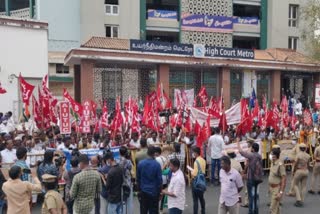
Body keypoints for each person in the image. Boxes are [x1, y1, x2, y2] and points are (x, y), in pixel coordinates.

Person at [237, 139, 262, 214]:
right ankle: (256, 211)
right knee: (256, 196)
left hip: (251, 178)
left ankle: (251, 212)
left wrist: (237, 142)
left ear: (253, 149)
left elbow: (241, 152)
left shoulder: (251, 155)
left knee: (251, 197)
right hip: (258, 178)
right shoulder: (259, 156)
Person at [137, 146, 162, 214]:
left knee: (143, 211)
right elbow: (159, 180)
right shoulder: (157, 165)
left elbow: (138, 178)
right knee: (153, 211)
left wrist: (138, 191)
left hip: (143, 191)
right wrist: (160, 192)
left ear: (147, 153)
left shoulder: (140, 163)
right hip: (154, 192)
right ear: (154, 154)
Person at [268, 147, 286, 214]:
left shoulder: (280, 165)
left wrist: (280, 193)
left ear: (276, 156)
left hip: (276, 189)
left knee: (272, 208)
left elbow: (284, 179)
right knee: (276, 207)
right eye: (271, 154)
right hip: (272, 188)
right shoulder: (273, 162)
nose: (271, 156)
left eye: (272, 155)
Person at [190, 146, 206, 214]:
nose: (192, 153)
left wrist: (191, 172)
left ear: (196, 153)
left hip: (196, 181)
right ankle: (203, 211)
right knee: (201, 197)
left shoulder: (196, 161)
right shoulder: (203, 160)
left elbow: (195, 173)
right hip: (202, 180)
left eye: (193, 152)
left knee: (195, 199)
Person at [119, 146, 133, 214]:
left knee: (122, 200)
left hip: (120, 182)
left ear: (119, 153)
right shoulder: (128, 161)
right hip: (128, 182)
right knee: (129, 200)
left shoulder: (117, 160)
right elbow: (130, 169)